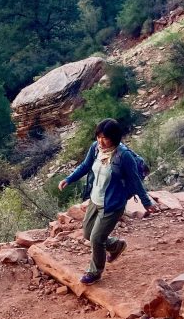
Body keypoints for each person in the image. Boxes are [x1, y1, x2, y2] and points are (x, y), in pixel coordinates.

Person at [58, 118, 156, 285]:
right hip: (95, 200)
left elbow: (134, 181)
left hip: (112, 204)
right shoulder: (95, 148)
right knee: (88, 234)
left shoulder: (123, 156)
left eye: (105, 138)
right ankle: (116, 245)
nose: (100, 141)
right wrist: (69, 179)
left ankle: (94, 272)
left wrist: (146, 202)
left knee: (96, 239)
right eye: (98, 137)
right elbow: (85, 165)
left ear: (115, 137)